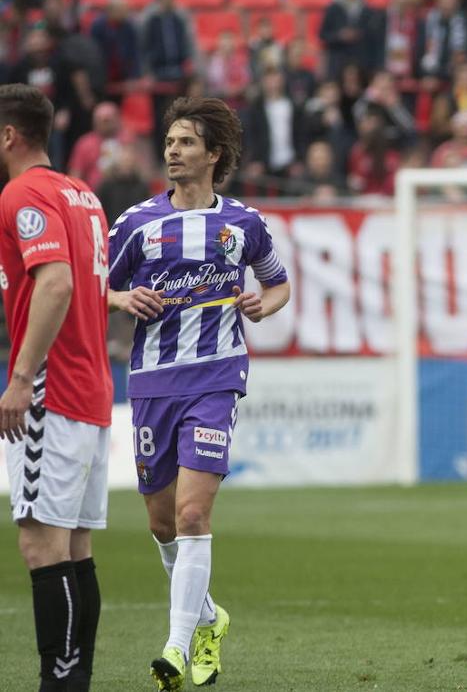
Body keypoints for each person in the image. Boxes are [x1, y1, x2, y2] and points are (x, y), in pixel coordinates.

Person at [106, 97, 291, 690]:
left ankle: (176, 648)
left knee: (192, 513)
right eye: (169, 142)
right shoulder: (136, 224)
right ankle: (210, 617)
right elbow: (92, 284)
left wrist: (265, 304)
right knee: (162, 523)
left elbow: (278, 285)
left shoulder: (243, 224)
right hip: (153, 383)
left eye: (185, 143)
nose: (172, 152)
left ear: (213, 155)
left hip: (216, 378)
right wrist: (120, 300)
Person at [0, 84, 111, 691]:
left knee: (41, 546)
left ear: (9, 136)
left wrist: (20, 380)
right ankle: (75, 681)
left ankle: (59, 683)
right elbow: (89, 287)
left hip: (51, 391)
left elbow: (58, 285)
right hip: (91, 389)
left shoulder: (24, 193)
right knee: (73, 547)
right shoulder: (82, 193)